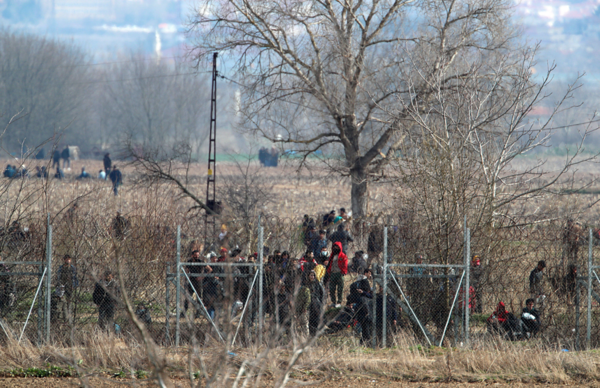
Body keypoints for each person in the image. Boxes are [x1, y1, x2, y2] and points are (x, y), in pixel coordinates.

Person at [53, 254, 78, 324]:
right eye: (66, 259)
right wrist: (59, 285)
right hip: (62, 287)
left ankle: (68, 319)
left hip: (69, 288)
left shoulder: (73, 268)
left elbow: (75, 278)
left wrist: (74, 285)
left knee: (69, 303)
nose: (68, 260)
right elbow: (58, 278)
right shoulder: (61, 268)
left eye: (69, 259)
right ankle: (61, 317)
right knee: (61, 302)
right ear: (64, 260)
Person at [325, 242, 348, 308]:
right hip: (332, 273)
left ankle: (339, 302)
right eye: (334, 247)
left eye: (337, 247)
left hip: (339, 273)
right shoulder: (332, 256)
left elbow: (345, 264)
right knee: (332, 288)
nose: (335, 248)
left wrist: (343, 272)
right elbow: (329, 264)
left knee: (340, 288)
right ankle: (333, 302)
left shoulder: (343, 256)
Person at [307, 270, 325, 336]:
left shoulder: (318, 283)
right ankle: (311, 334)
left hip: (317, 304)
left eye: (313, 275)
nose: (312, 277)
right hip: (309, 304)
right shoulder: (306, 284)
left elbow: (322, 294)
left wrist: (321, 303)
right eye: (311, 275)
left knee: (317, 319)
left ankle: (319, 333)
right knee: (311, 320)